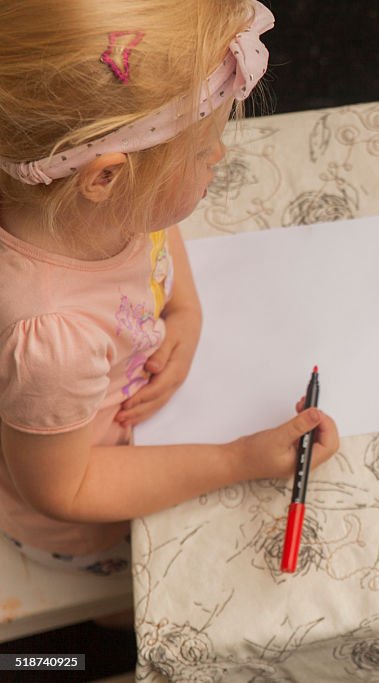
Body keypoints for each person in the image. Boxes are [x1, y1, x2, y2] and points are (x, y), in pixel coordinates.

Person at [0, 0, 339, 575]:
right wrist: (236, 459)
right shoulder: (52, 338)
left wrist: (184, 309)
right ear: (105, 177)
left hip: (114, 419)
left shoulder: (87, 204)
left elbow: (150, 218)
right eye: (204, 152)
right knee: (136, 587)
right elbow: (65, 490)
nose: (220, 156)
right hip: (93, 513)